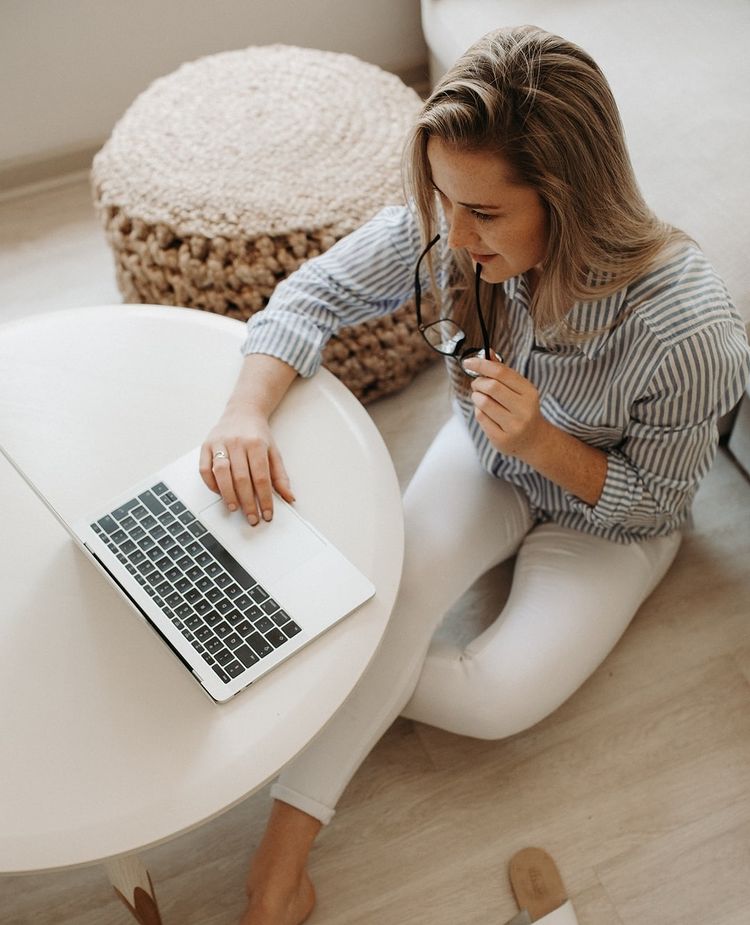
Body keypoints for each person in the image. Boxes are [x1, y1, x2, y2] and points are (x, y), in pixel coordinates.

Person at [199, 26, 750, 925]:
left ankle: (312, 657)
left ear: (567, 202)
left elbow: (658, 501)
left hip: (606, 520)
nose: (454, 234)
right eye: (446, 203)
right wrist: (245, 411)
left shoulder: (690, 333)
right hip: (485, 458)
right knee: (390, 605)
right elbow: (310, 295)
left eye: (485, 214)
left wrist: (544, 443)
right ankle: (277, 876)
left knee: (493, 699)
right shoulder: (454, 227)